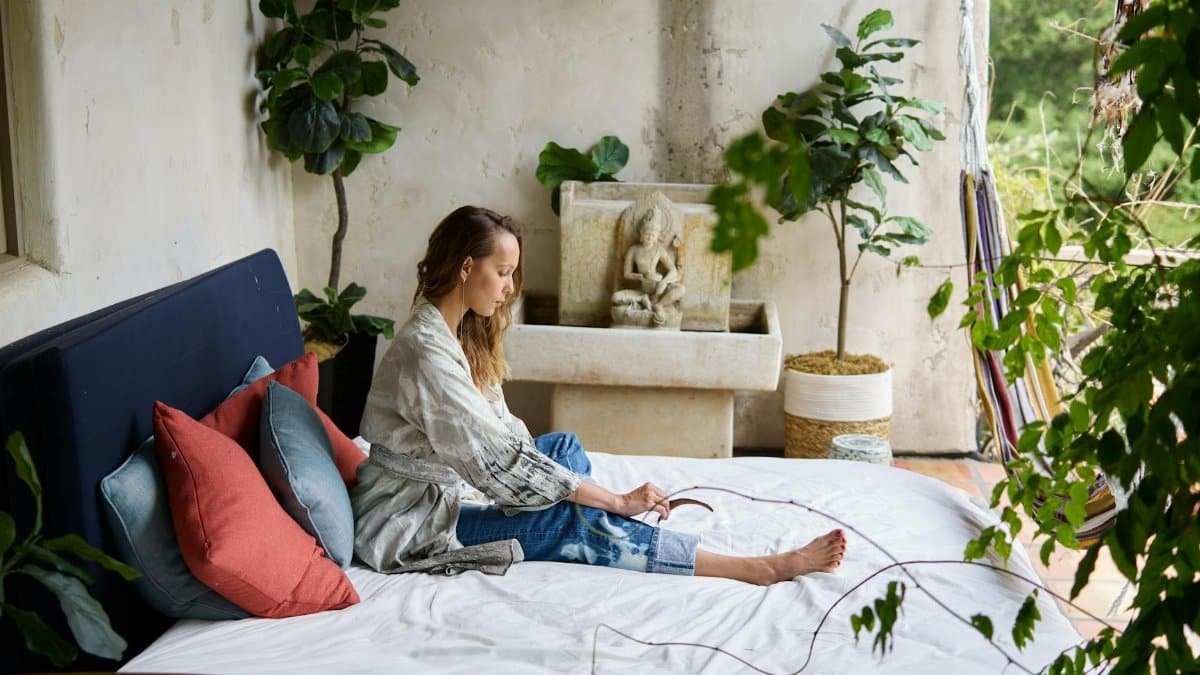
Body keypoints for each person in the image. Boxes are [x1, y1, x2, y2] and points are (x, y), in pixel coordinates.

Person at [352, 205, 846, 584]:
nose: (508, 288)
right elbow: (500, 459)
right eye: (502, 273)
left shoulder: (456, 332)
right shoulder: (426, 352)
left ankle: (590, 517)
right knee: (576, 519)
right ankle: (754, 568)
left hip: (455, 489)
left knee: (562, 448)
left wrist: (583, 494)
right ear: (465, 268)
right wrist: (613, 500)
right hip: (413, 525)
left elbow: (505, 434)